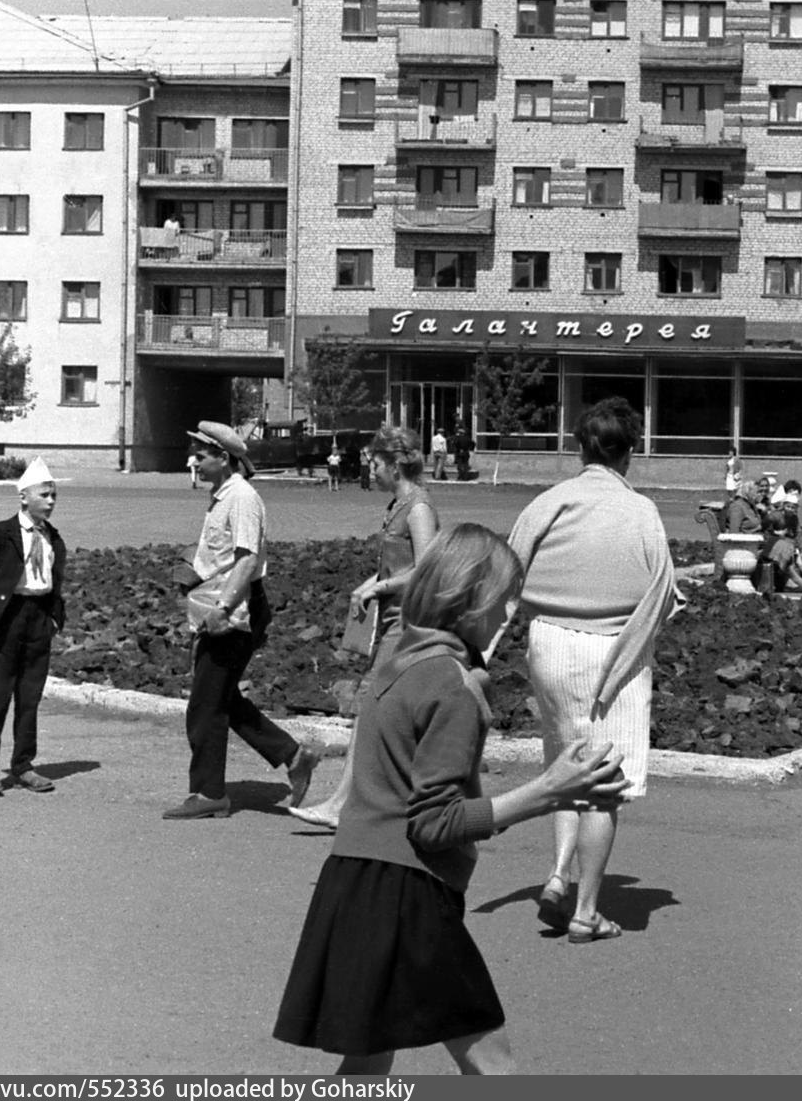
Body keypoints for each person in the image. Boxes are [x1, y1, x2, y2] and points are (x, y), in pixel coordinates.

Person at [273, 525, 630, 1074]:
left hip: (355, 879)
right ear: (471, 600)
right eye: (506, 599)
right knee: (493, 1067)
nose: (508, 617)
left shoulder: (400, 660)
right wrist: (549, 792)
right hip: (406, 895)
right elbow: (433, 823)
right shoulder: (450, 682)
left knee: (366, 1066)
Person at [507, 397, 679, 944]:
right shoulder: (641, 510)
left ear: (579, 447)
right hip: (615, 650)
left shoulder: (550, 501)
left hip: (550, 644)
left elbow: (509, 568)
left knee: (565, 763)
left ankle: (557, 875)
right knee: (604, 785)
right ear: (629, 453)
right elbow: (664, 591)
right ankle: (585, 911)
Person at [164, 421, 320, 820]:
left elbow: (248, 559)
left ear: (224, 458)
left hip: (236, 609)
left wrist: (223, 609)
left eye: (201, 456)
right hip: (222, 603)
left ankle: (208, 792)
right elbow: (221, 555)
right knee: (222, 699)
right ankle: (293, 755)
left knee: (204, 706)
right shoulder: (222, 495)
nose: (193, 462)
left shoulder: (243, 498)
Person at [292, 426, 439, 830]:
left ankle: (344, 804)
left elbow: (427, 569)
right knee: (383, 712)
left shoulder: (419, 508)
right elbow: (397, 564)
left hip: (408, 622)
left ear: (394, 464)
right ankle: (381, 801)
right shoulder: (399, 504)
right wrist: (370, 584)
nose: (370, 470)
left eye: (374, 463)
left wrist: (383, 586)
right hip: (391, 619)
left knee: (371, 707)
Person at [0, 459, 67, 796]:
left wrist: (54, 617)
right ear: (24, 497)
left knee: (30, 697)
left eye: (54, 495)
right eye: (44, 495)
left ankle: (23, 765)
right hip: (7, 618)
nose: (51, 501)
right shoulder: (2, 533)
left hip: (38, 619)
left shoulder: (52, 537)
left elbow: (55, 580)